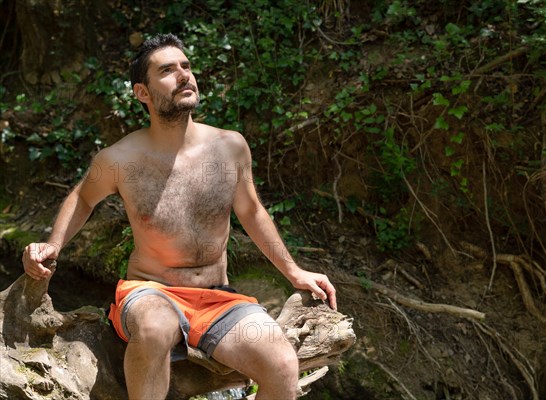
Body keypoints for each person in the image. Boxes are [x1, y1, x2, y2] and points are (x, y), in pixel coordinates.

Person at [22, 33, 336, 400]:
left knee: (282, 364)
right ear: (142, 93)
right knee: (156, 327)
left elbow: (252, 211)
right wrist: (52, 245)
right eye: (168, 70)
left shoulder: (230, 146)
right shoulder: (119, 159)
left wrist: (295, 271)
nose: (184, 75)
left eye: (186, 66)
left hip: (217, 298)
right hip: (150, 292)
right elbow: (82, 198)